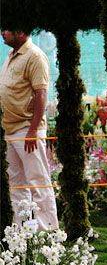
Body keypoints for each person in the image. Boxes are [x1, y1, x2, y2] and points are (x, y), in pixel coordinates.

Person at [0, 30, 59, 229]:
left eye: (6, 29)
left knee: (38, 181)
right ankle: (22, 230)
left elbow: (41, 94)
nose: (2, 33)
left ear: (21, 32)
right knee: (16, 183)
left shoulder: (35, 56)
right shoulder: (11, 55)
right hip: (9, 130)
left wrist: (33, 131)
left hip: (27, 130)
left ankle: (48, 230)